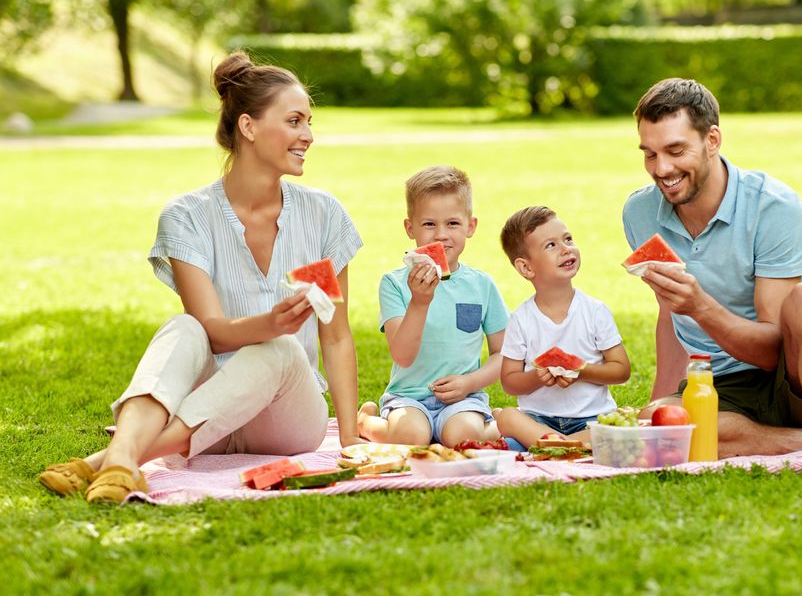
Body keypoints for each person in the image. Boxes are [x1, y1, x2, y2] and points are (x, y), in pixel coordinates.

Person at [38, 52, 364, 503]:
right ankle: (122, 462)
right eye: (293, 121)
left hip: (286, 419)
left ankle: (111, 459)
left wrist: (349, 440)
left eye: (309, 122)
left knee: (283, 348)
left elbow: (336, 337)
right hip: (210, 407)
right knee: (183, 326)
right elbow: (210, 334)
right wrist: (270, 322)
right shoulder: (187, 217)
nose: (307, 136)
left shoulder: (323, 216)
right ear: (248, 127)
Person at [622, 78, 802, 493]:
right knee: (660, 425)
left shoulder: (774, 207)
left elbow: (773, 350)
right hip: (720, 385)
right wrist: (659, 402)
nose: (661, 169)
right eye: (650, 153)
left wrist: (701, 305)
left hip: (794, 375)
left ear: (712, 139)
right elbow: (670, 313)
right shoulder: (640, 213)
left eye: (676, 151)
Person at [357, 166, 507, 446]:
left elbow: (504, 354)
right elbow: (402, 356)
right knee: (411, 437)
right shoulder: (394, 283)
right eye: (429, 224)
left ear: (470, 226)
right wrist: (419, 301)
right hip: (408, 397)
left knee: (463, 438)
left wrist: (470, 383)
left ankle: (495, 422)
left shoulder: (482, 285)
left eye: (452, 224)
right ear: (409, 228)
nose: (440, 235)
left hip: (464, 398)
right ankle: (366, 419)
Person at [496, 206, 631, 447]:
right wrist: (539, 377)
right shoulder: (521, 318)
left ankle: (556, 446)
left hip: (591, 418)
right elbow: (509, 382)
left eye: (568, 239)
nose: (566, 248)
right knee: (508, 417)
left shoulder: (595, 311)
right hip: (538, 419)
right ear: (526, 268)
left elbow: (621, 370)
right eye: (551, 245)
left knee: (617, 425)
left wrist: (581, 370)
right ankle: (572, 445)